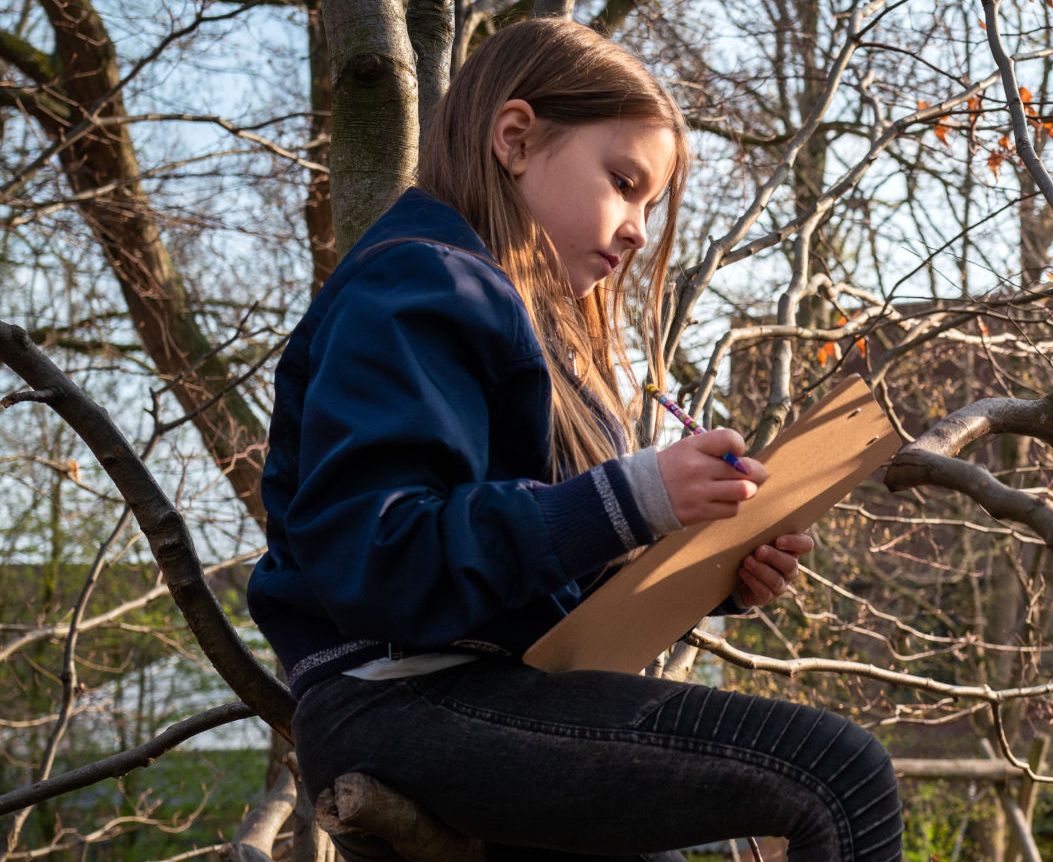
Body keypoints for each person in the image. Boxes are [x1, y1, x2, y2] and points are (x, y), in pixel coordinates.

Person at [246, 19, 902, 862]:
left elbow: (538, 577)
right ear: (516, 138)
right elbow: (383, 556)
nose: (637, 229)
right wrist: (632, 498)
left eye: (650, 205)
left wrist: (711, 571)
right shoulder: (415, 280)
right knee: (837, 775)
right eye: (624, 182)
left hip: (501, 699)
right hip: (401, 703)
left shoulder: (523, 327)